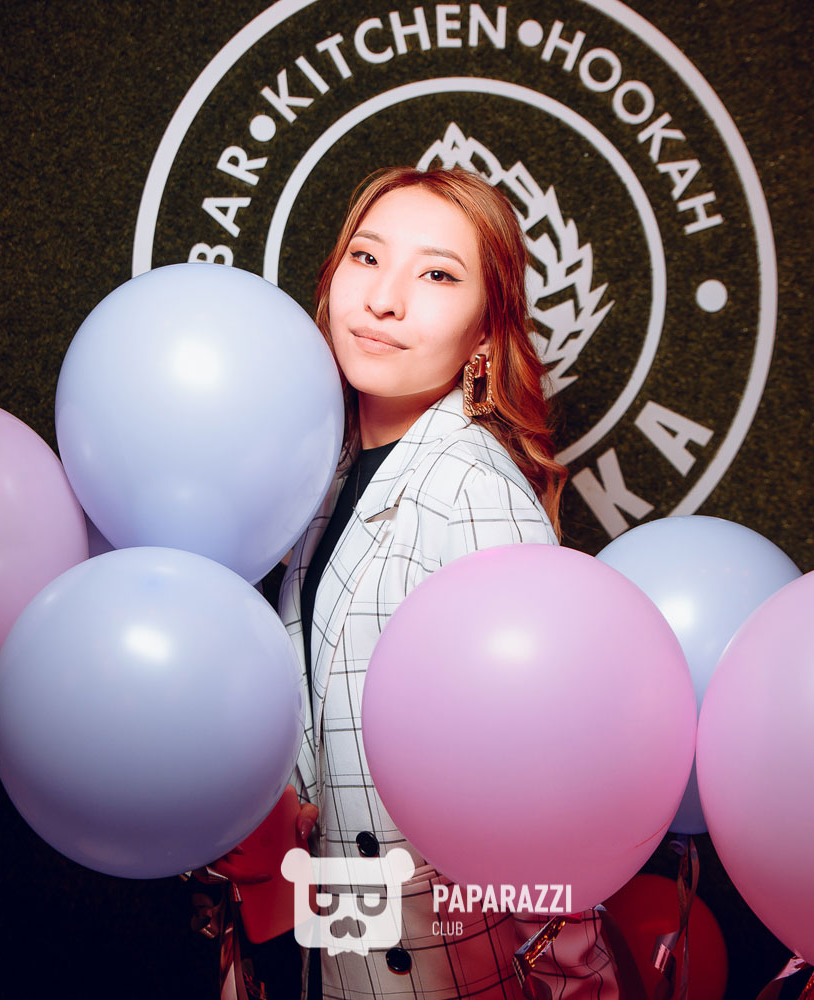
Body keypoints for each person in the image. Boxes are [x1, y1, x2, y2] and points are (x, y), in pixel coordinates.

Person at [225, 167, 623, 1000]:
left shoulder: (472, 492)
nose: (384, 299)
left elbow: (543, 792)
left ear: (485, 332)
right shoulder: (325, 476)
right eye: (367, 258)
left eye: (438, 275)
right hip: (344, 952)